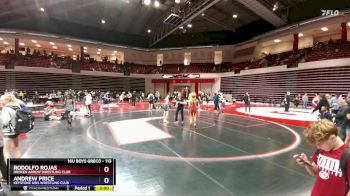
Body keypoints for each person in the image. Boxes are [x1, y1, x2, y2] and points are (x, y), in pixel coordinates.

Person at [293, 119, 350, 196]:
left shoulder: (347, 156)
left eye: (320, 143)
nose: (318, 147)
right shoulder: (321, 150)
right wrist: (306, 163)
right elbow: (316, 172)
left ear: (332, 138)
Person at [0, 93, 21, 166]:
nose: (0, 101)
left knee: (5, 151)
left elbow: (6, 121)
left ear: (6, 100)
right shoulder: (16, 107)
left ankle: (10, 169)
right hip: (16, 131)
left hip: (8, 132)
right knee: (16, 148)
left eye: (2, 100)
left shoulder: (6, 109)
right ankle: (17, 166)